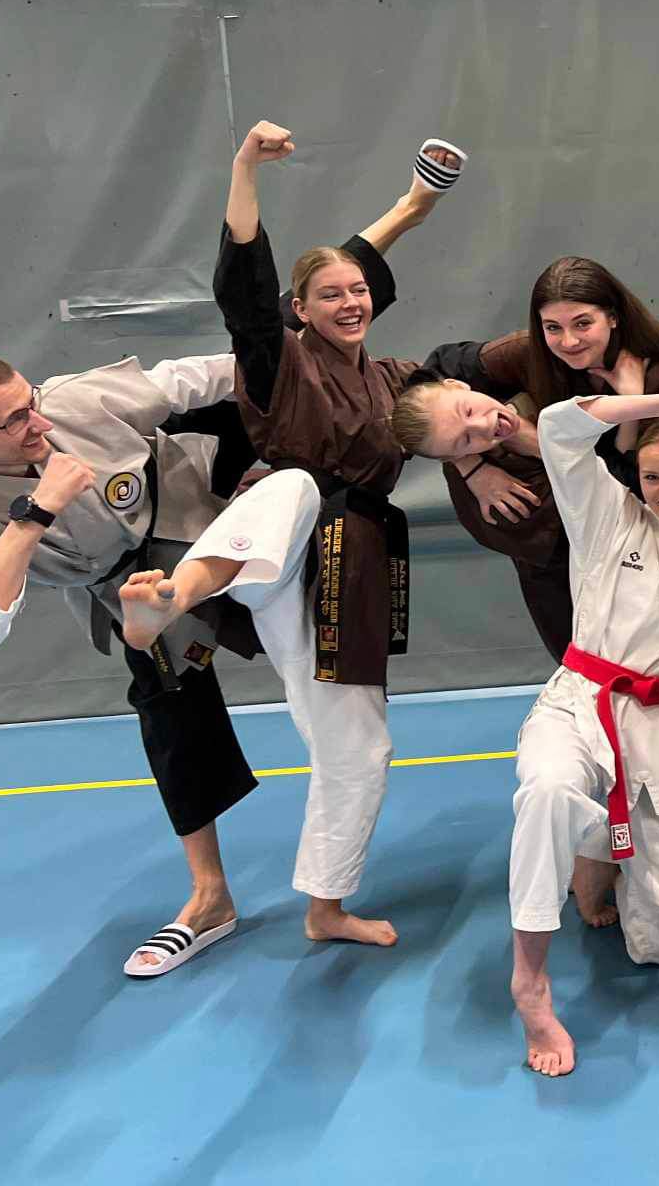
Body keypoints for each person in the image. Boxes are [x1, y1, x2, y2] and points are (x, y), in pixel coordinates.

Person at [0, 139, 447, 977]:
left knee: (281, 392)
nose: (38, 424)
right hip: (127, 586)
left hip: (213, 516)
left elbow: (215, 365)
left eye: (30, 402)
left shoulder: (72, 402)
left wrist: (293, 363)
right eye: (14, 422)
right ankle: (209, 897)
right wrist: (35, 512)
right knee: (166, 696)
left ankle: (405, 211)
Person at [118, 118, 467, 949]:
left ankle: (326, 906)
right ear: (300, 311)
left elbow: (462, 399)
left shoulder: (393, 377)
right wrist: (245, 166)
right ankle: (172, 598)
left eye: (359, 292)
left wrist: (487, 456)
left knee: (358, 747)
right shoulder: (278, 359)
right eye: (330, 295)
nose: (350, 303)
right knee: (296, 484)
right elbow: (245, 286)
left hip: (347, 574)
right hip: (270, 549)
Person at [403, 377, 659, 1077]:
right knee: (551, 790)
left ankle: (599, 850)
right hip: (583, 700)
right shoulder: (607, 513)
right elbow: (561, 425)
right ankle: (530, 980)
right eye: (653, 476)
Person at [414, 259, 659, 699]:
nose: (569, 341)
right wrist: (471, 465)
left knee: (648, 680)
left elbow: (652, 491)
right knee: (581, 679)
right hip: (548, 564)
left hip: (639, 556)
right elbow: (419, 394)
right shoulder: (525, 357)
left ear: (613, 316)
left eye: (582, 324)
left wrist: (631, 410)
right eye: (552, 328)